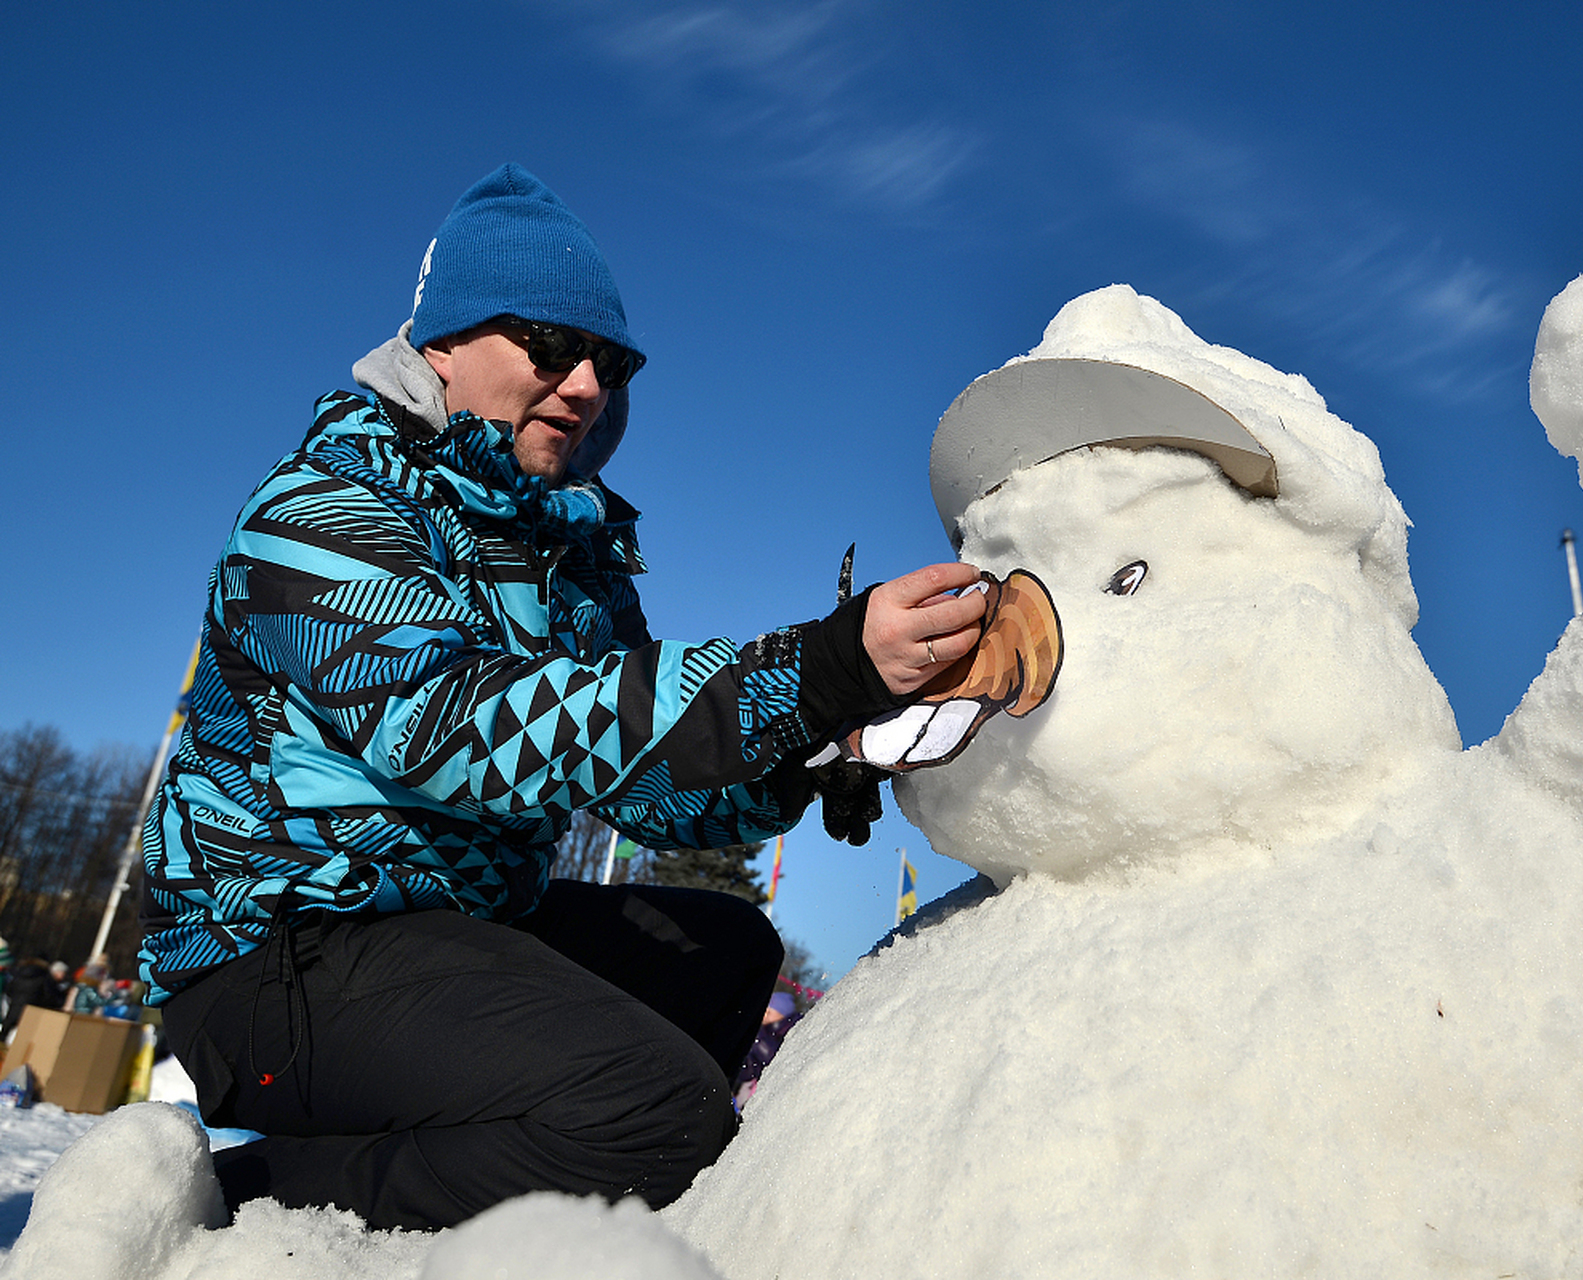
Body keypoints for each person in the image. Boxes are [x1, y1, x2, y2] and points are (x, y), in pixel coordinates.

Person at [138, 163, 986, 1231]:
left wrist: (822, 743)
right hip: (276, 959)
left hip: (452, 927)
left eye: (609, 359)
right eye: (548, 345)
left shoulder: (563, 558)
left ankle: (500, 1181)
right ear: (441, 343)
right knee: (654, 1111)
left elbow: (650, 794)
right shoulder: (327, 508)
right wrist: (810, 666)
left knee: (730, 953)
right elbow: (460, 730)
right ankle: (244, 1212)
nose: (585, 383)